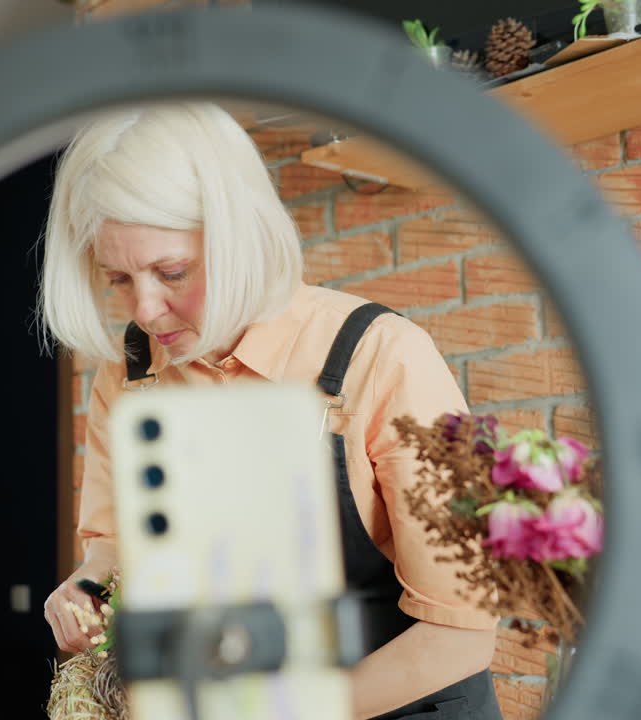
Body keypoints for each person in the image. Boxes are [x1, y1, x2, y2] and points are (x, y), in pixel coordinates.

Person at [37, 102, 500, 720]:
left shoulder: (383, 357)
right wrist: (88, 588)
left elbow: (461, 633)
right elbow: (114, 547)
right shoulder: (128, 377)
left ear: (241, 236)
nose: (145, 309)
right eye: (117, 278)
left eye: (171, 271)